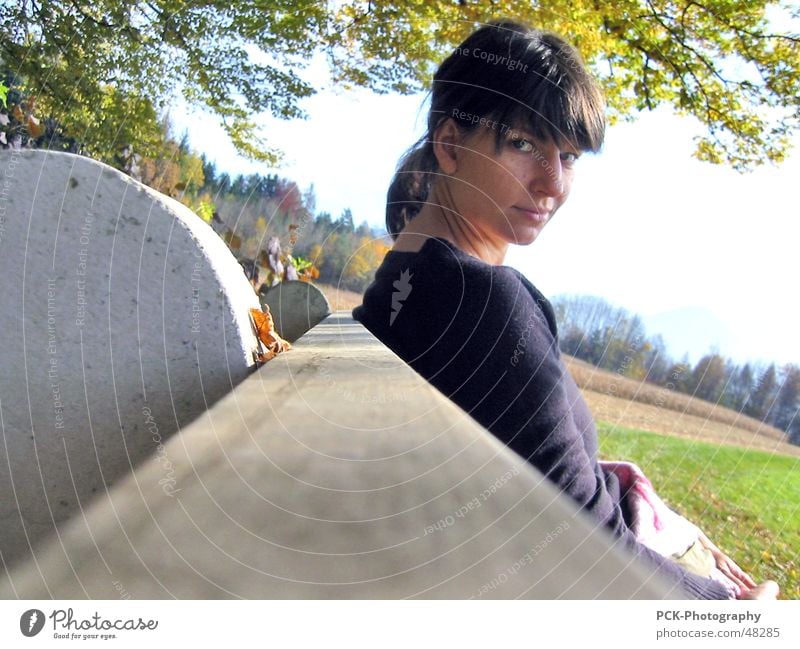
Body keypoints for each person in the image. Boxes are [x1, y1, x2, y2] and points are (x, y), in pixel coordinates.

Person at [352, 20, 778, 600]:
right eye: (524, 145)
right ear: (450, 144)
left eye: (570, 156)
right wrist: (735, 615)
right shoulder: (483, 302)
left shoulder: (399, 285)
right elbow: (587, 543)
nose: (552, 183)